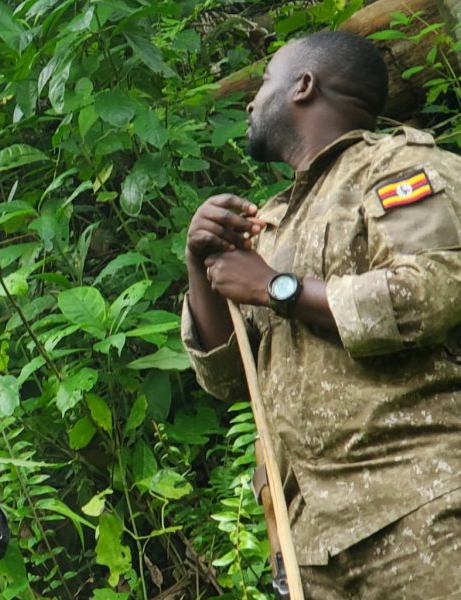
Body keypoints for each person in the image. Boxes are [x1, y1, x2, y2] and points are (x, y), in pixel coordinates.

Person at [182, 30, 461, 598]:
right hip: (310, 547)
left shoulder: (401, 168)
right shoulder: (274, 222)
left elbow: (431, 292)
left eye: (263, 83)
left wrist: (276, 288)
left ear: (303, 86)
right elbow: (229, 379)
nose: (250, 101)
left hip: (421, 515)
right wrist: (200, 262)